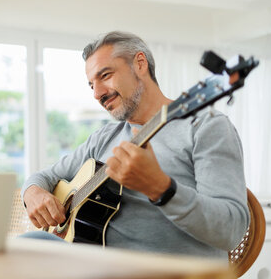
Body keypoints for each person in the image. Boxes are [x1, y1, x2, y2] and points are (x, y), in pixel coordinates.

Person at [21, 31, 250, 259]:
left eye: (106, 75)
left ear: (140, 63)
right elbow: (42, 178)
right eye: (91, 85)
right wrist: (32, 194)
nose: (97, 93)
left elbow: (231, 231)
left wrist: (160, 188)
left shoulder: (205, 127)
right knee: (21, 248)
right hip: (94, 268)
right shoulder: (103, 138)